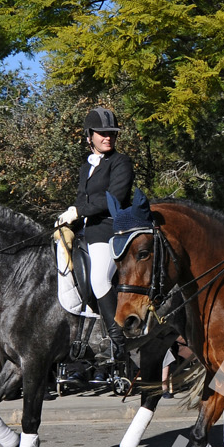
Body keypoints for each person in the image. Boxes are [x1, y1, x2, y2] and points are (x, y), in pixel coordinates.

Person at [56, 106, 134, 358]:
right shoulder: (85, 167)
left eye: (111, 133)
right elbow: (82, 199)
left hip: (110, 229)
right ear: (89, 136)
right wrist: (69, 219)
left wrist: (78, 211)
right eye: (102, 133)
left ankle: (118, 340)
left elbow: (115, 197)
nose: (108, 137)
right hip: (86, 232)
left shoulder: (121, 162)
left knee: (99, 279)